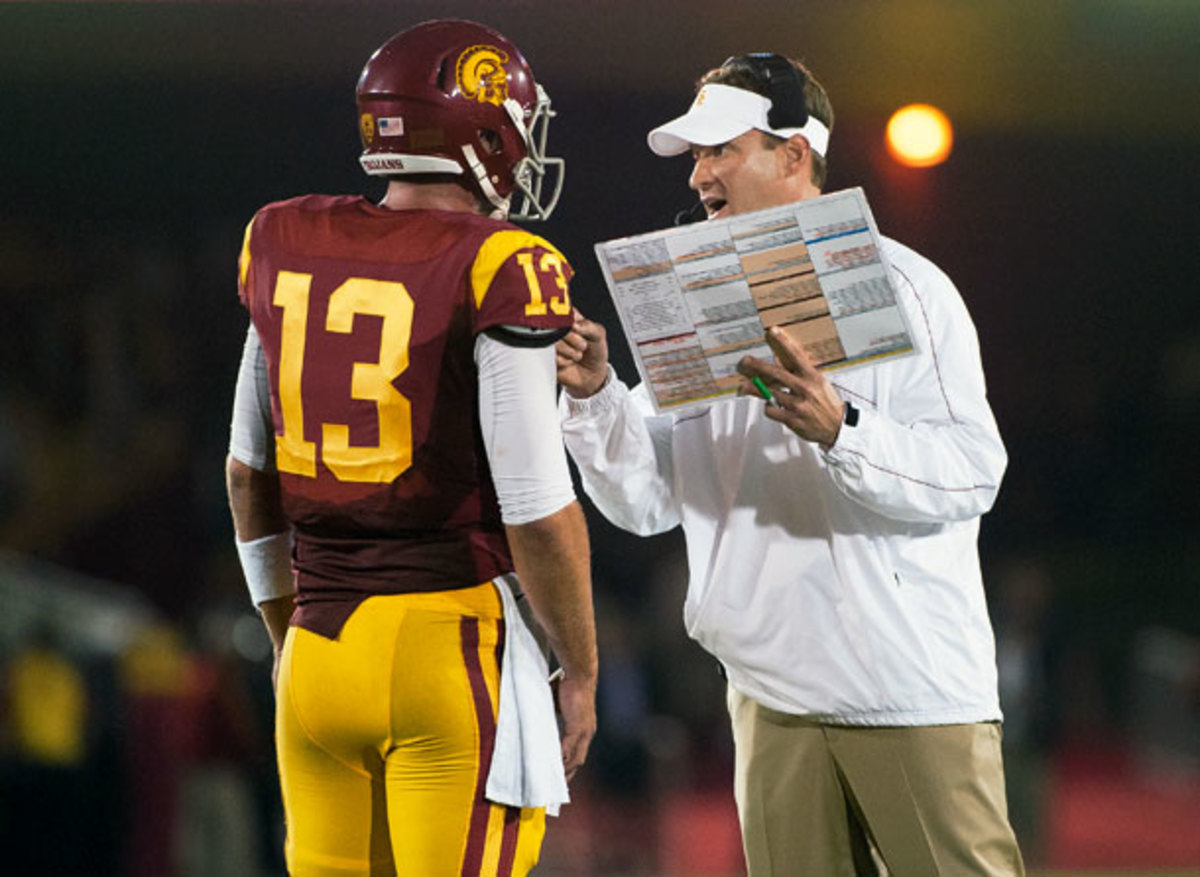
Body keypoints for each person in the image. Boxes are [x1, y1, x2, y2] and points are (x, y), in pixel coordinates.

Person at [557, 53, 1024, 876]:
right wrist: (597, 396)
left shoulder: (910, 287)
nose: (699, 172)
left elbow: (972, 469)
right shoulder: (694, 298)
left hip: (905, 689)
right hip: (768, 693)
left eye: (719, 150)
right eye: (696, 156)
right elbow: (647, 500)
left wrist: (844, 428)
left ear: (794, 156)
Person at [225, 19, 597, 877]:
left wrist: (286, 626)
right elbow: (538, 503)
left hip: (316, 649)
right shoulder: (504, 258)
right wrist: (579, 667)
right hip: (444, 647)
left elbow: (250, 475)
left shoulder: (282, 236)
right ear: (484, 132)